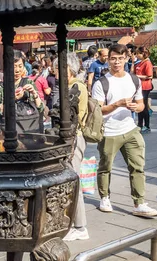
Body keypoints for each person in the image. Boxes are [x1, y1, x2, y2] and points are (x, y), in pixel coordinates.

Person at [92, 44, 157, 218]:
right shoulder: (101, 83)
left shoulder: (134, 80)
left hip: (130, 129)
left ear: (126, 59)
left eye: (120, 58)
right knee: (105, 166)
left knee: (137, 167)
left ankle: (139, 202)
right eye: (113, 58)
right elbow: (98, 111)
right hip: (109, 131)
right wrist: (117, 104)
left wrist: (136, 107)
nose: (117, 62)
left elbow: (141, 104)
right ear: (108, 60)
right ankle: (105, 197)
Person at [54, 53, 90, 241]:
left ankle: (80, 226)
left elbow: (69, 116)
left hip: (73, 140)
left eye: (61, 68)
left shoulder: (76, 87)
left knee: (73, 180)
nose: (56, 72)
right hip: (67, 139)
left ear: (70, 69)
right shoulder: (66, 86)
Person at [0, 51, 44, 133]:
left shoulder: (29, 83)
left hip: (27, 130)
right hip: (6, 131)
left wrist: (34, 93)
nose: (17, 70)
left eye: (20, 66)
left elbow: (40, 108)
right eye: (14, 66)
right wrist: (12, 99)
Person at [133, 47, 153, 133]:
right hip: (138, 87)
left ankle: (147, 125)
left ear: (143, 54)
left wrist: (138, 76)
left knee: (144, 107)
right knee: (139, 106)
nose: (137, 55)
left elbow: (150, 76)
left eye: (138, 53)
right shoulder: (139, 63)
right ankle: (140, 124)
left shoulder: (147, 63)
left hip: (145, 87)